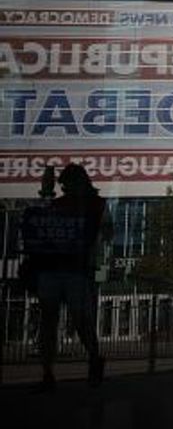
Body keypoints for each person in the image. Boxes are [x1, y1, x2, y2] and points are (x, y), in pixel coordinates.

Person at [28, 164, 112, 391]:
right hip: (64, 268)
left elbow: (106, 233)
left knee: (73, 319)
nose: (66, 189)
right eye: (64, 185)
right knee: (54, 320)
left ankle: (88, 360)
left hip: (72, 269)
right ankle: (50, 372)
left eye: (68, 184)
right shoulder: (92, 205)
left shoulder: (94, 205)